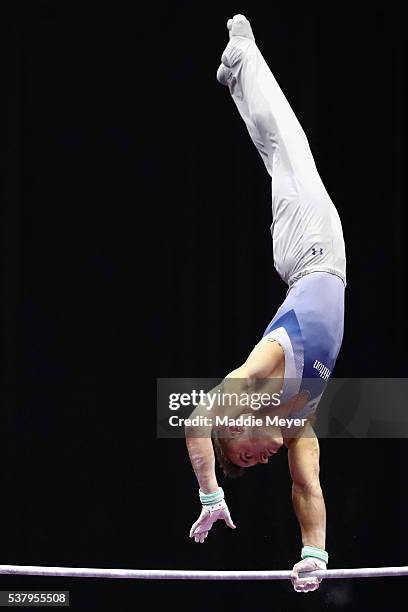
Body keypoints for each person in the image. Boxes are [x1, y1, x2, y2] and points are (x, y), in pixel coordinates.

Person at [185, 14, 346, 593]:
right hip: (307, 259)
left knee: (289, 144)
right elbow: (309, 490)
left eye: (247, 459)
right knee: (282, 152)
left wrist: (210, 493)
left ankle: (242, 58)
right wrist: (313, 556)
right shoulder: (297, 418)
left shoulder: (257, 379)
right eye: (257, 467)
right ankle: (238, 72)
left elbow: (196, 417)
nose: (261, 461)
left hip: (311, 254)